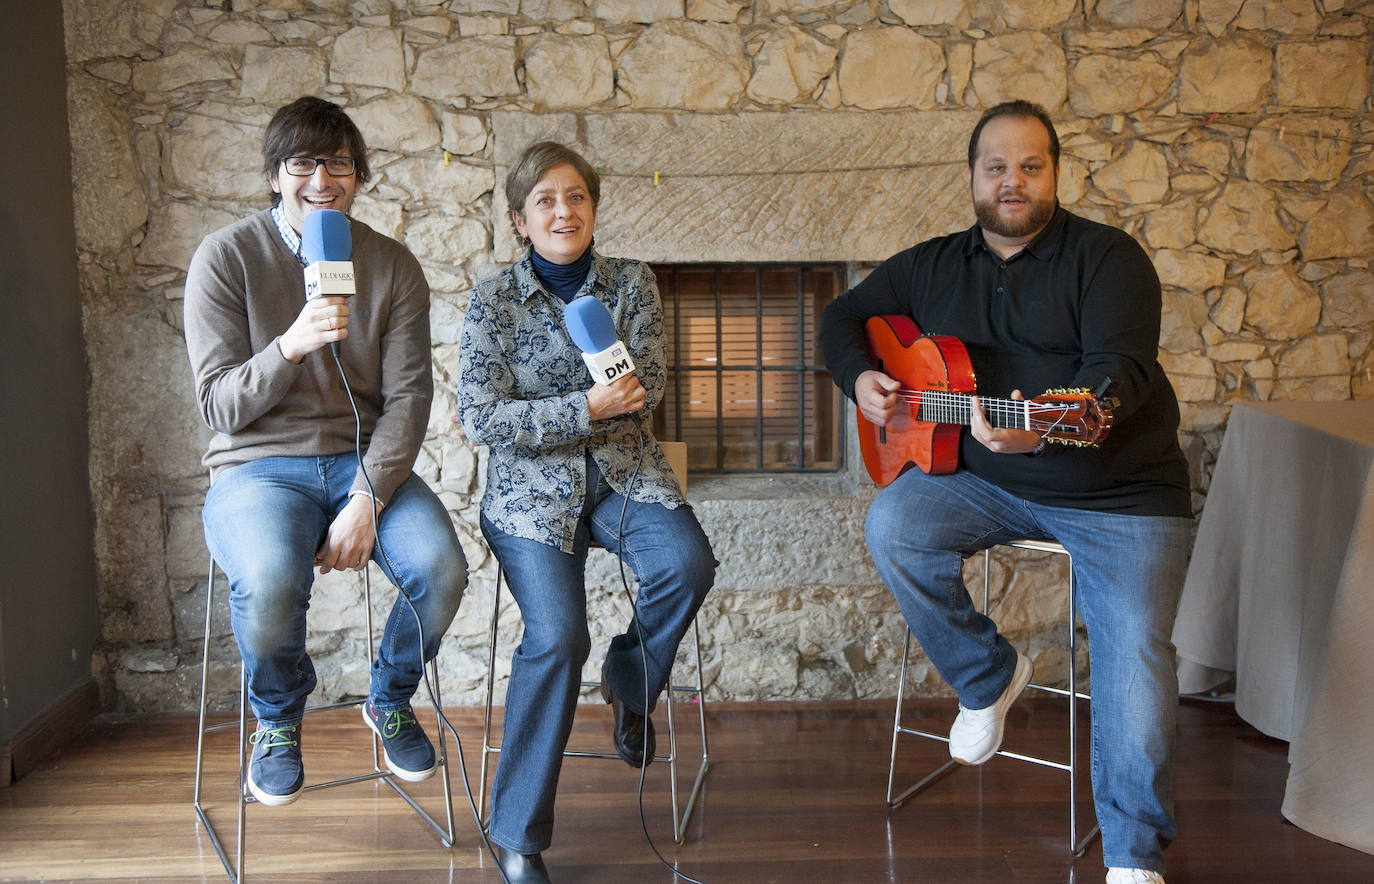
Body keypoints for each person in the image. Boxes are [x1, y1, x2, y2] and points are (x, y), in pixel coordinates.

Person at [820, 101, 1192, 884]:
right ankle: (988, 675)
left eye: (1030, 165)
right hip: (988, 483)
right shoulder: (932, 264)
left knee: (1136, 659)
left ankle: (1132, 858)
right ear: (973, 177)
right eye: (997, 167)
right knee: (895, 525)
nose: (1013, 181)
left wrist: (1051, 427)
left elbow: (1116, 375)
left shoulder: (1110, 259)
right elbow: (843, 316)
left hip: (1118, 495)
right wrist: (860, 381)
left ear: (1055, 173)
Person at [184, 96, 468, 807]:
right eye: (303, 162)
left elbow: (409, 400)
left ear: (358, 176)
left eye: (339, 163)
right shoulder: (226, 257)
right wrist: (290, 345)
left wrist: (368, 497)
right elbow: (219, 404)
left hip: (362, 461)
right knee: (274, 579)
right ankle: (278, 722)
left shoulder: (392, 265)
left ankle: (390, 697)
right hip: (257, 468)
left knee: (442, 568)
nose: (322, 179)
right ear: (277, 174)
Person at [459, 141, 716, 884]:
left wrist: (586, 409)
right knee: (558, 637)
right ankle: (517, 836)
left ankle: (631, 685)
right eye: (544, 200)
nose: (562, 211)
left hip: (625, 475)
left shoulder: (632, 283)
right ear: (519, 220)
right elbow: (481, 417)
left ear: (593, 209)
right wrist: (587, 407)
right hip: (530, 498)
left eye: (575, 197)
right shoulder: (493, 300)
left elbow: (651, 387)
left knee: (687, 563)